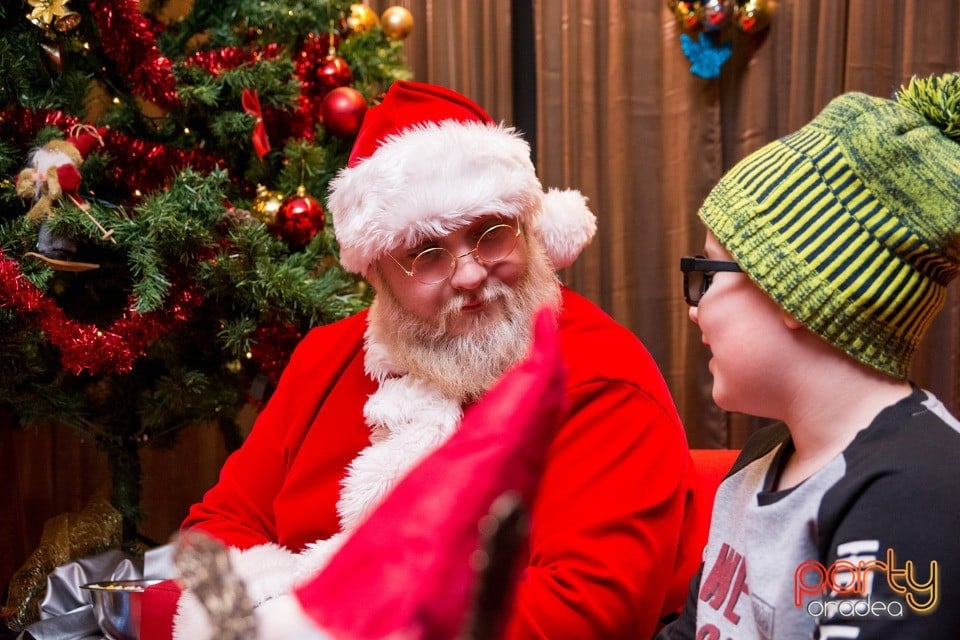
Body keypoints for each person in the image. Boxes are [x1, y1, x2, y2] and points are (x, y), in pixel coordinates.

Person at [176, 80, 701, 639]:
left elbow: (586, 618)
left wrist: (338, 617)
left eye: (491, 233)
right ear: (377, 273)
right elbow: (215, 532)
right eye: (426, 255)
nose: (471, 275)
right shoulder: (325, 359)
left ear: (529, 228)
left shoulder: (601, 375)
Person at [661, 71, 960, 639]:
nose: (695, 308)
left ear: (794, 291)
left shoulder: (911, 493)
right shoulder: (763, 457)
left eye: (707, 274)